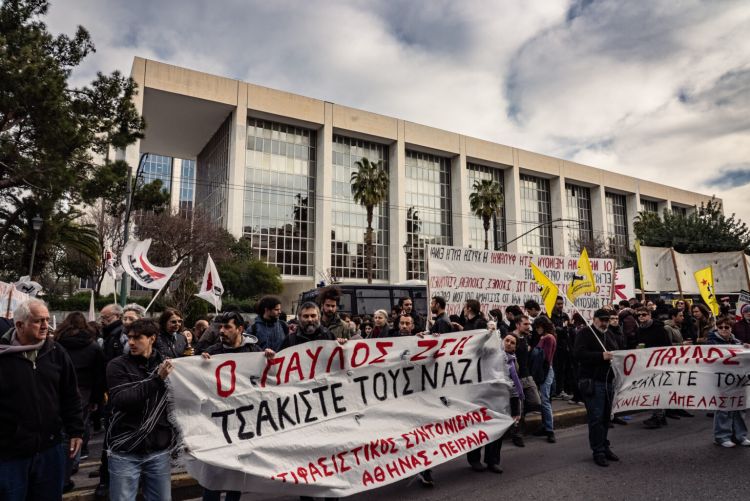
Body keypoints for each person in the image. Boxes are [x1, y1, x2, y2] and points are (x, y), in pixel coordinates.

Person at [0, 299, 84, 500]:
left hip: (50, 448)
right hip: (10, 453)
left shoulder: (55, 352)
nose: (46, 325)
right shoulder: (3, 357)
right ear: (20, 325)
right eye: (38, 321)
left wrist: (76, 430)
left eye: (47, 319)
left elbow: (70, 394)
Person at [106, 318, 175, 501]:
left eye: (137, 338)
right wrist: (157, 380)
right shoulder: (117, 365)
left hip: (158, 450)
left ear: (152, 338)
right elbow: (122, 399)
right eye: (129, 337)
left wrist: (204, 362)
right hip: (125, 450)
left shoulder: (168, 364)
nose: (131, 342)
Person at [200, 311, 263, 501]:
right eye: (220, 327)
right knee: (213, 473)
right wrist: (200, 365)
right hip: (217, 423)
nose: (222, 331)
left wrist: (269, 359)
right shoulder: (212, 352)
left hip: (243, 423)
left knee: (236, 474)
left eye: (227, 327)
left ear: (240, 329)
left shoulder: (254, 352)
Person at [54, 311, 106, 491]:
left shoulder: (57, 343)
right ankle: (72, 464)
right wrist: (96, 399)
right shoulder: (93, 346)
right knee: (78, 430)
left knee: (60, 432)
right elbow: (99, 376)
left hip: (59, 391)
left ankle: (61, 470)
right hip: (84, 392)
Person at [467, 334, 522, 473]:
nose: (509, 343)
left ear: (515, 347)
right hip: (482, 398)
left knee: (497, 431)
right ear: (501, 341)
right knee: (479, 430)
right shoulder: (490, 354)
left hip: (500, 403)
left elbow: (513, 387)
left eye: (512, 343)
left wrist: (515, 410)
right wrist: (488, 335)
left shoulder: (513, 363)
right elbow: (476, 349)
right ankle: (474, 459)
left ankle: (493, 461)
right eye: (507, 340)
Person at [573, 308, 620, 467]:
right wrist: (601, 356)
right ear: (594, 319)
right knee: (596, 417)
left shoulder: (610, 334)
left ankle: (604, 446)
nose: (605, 323)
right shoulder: (585, 333)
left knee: (606, 417)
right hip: (592, 381)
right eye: (602, 320)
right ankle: (598, 451)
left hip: (608, 381)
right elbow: (578, 354)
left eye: (607, 320)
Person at [708, 315, 750, 447]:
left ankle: (740, 436)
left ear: (731, 328)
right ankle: (721, 437)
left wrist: (746, 348)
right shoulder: (710, 343)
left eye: (726, 327)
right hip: (721, 379)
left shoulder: (737, 343)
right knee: (724, 408)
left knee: (739, 408)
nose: (723, 329)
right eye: (720, 327)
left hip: (738, 380)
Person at [635, 307, 672, 429]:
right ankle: (661, 416)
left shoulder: (659, 329)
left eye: (644, 314)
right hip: (646, 363)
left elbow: (667, 346)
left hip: (659, 364)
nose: (641, 316)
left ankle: (658, 417)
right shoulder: (640, 329)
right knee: (652, 390)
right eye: (639, 315)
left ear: (649, 315)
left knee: (657, 390)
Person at [530, 317, 557, 443]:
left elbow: (546, 359)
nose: (536, 329)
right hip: (543, 371)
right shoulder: (545, 337)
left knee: (545, 400)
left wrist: (541, 375)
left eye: (538, 327)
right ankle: (545, 426)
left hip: (545, 371)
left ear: (543, 326)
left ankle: (550, 430)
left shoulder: (548, 338)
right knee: (544, 399)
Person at [550, 297, 573, 400]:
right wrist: (561, 330)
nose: (560, 306)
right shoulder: (549, 316)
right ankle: (555, 391)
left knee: (562, 369)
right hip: (554, 347)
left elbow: (568, 329)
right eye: (558, 304)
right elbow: (554, 330)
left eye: (561, 304)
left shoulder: (565, 316)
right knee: (554, 369)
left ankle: (561, 390)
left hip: (564, 346)